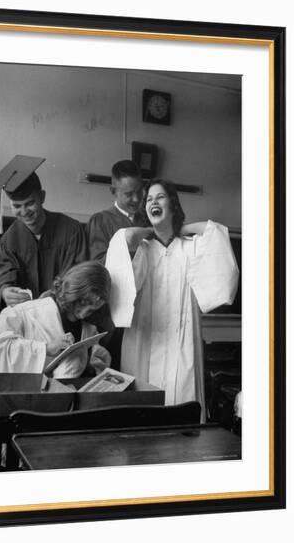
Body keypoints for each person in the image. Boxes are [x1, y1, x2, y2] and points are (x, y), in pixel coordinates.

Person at [105, 179, 239, 417]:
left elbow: (215, 236)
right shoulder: (144, 249)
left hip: (181, 339)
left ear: (173, 205)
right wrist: (148, 231)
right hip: (146, 338)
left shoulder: (189, 247)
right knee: (142, 407)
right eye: (148, 199)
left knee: (181, 401)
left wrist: (185, 229)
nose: (153, 202)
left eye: (160, 197)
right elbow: (124, 243)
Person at [0, 155, 87, 316]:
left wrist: (54, 296)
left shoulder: (71, 230)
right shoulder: (8, 241)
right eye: (17, 206)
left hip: (63, 319)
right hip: (27, 323)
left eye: (30, 203)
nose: (24, 211)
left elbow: (79, 273)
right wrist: (5, 291)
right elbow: (2, 277)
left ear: (42, 197)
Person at [0, 261, 111, 378]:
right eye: (83, 302)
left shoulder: (88, 328)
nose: (84, 313)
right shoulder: (24, 313)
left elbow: (84, 368)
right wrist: (45, 348)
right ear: (73, 292)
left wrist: (93, 358)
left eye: (92, 310)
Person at [86, 160, 150, 264]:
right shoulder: (100, 222)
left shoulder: (148, 219)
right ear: (113, 191)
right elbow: (97, 265)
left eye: (139, 191)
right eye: (129, 194)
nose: (136, 199)